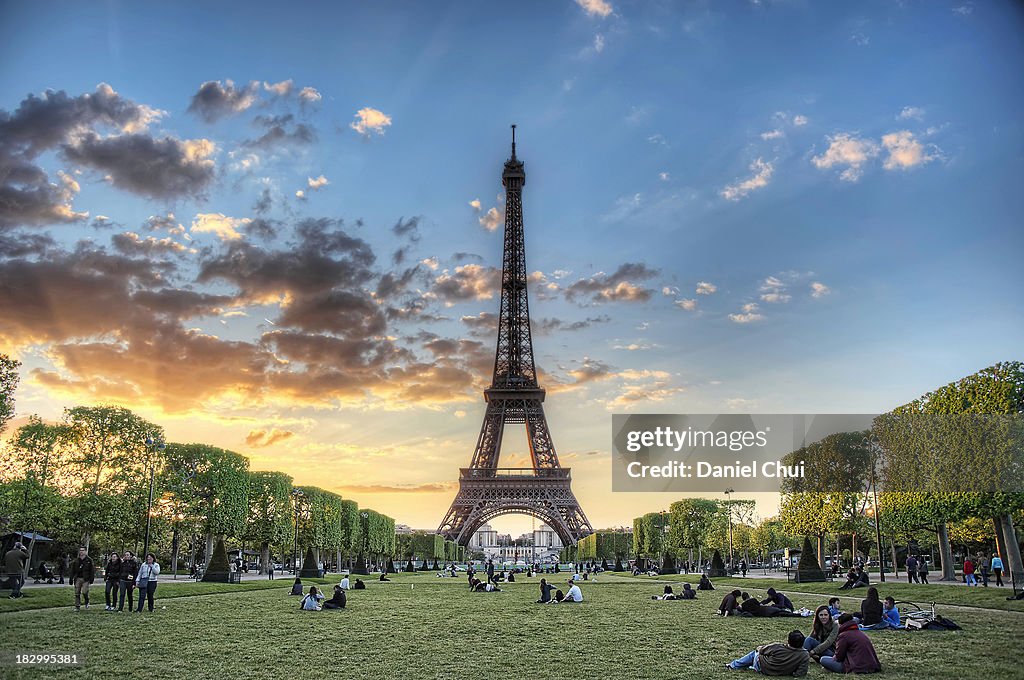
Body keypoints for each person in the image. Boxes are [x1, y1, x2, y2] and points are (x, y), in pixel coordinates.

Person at [726, 629, 809, 675]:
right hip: (782, 672)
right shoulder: (804, 654)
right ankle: (748, 666)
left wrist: (759, 648)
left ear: (788, 640)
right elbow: (802, 671)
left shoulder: (778, 647)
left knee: (754, 654)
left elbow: (762, 650)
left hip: (763, 667)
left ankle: (733, 665)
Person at [70, 546, 95, 611]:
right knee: (77, 592)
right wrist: (71, 578)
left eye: (83, 550)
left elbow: (92, 570)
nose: (81, 552)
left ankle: (87, 601)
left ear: (85, 551)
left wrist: (91, 579)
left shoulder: (89, 560)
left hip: (86, 578)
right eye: (80, 550)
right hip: (78, 578)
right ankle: (77, 606)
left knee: (84, 591)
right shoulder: (76, 560)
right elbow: (73, 570)